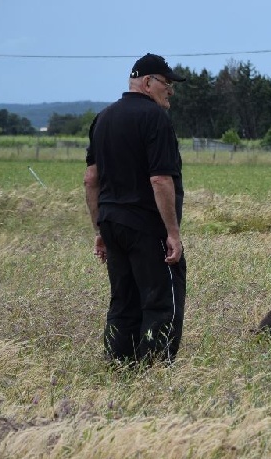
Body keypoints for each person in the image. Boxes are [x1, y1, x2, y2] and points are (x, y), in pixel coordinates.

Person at [83, 53, 186, 366]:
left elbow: (91, 179)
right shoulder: (155, 118)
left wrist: (100, 230)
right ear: (147, 82)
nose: (170, 91)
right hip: (146, 226)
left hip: (113, 225)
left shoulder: (103, 118)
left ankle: (118, 366)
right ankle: (154, 372)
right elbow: (160, 179)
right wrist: (172, 232)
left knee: (123, 301)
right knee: (160, 302)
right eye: (166, 84)